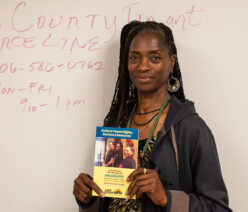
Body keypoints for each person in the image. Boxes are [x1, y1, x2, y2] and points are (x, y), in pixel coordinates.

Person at [73, 21, 232, 212]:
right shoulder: (117, 124)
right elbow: (112, 203)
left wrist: (166, 198)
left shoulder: (191, 128)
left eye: (154, 58)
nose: (143, 66)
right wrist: (88, 199)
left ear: (171, 62)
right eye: (134, 58)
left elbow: (219, 208)